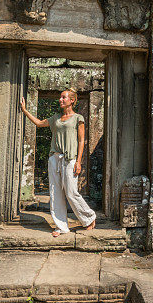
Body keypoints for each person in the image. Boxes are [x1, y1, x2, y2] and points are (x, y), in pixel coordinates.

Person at [20, 89, 96, 236]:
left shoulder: (78, 118)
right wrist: (24, 110)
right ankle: (61, 227)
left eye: (63, 97)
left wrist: (79, 161)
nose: (60, 100)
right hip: (54, 158)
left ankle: (89, 218)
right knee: (55, 193)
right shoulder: (55, 118)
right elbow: (39, 123)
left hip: (70, 159)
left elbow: (81, 141)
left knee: (71, 191)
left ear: (72, 100)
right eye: (60, 98)